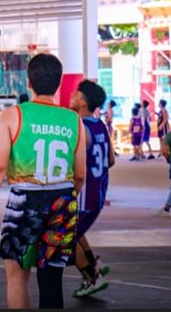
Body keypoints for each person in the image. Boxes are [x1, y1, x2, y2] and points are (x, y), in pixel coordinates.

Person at [0, 53, 86, 309]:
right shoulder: (74, 120)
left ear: (29, 82)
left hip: (24, 200)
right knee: (52, 279)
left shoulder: (11, 115)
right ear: (59, 84)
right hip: (62, 200)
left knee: (17, 277)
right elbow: (80, 174)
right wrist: (65, 197)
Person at [69, 80, 114, 299]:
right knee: (76, 232)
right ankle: (93, 262)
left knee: (66, 238)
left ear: (83, 102)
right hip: (98, 194)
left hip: (83, 196)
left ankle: (92, 277)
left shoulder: (80, 128)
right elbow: (111, 160)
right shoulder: (100, 126)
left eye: (76, 94)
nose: (72, 96)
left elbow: (75, 166)